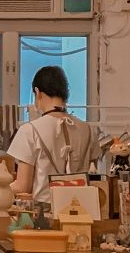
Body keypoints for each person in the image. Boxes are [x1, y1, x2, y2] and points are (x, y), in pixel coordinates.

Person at [8, 65, 92, 201]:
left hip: (45, 213)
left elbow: (23, 186)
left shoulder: (30, 130)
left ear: (38, 92)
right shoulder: (86, 129)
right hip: (82, 209)